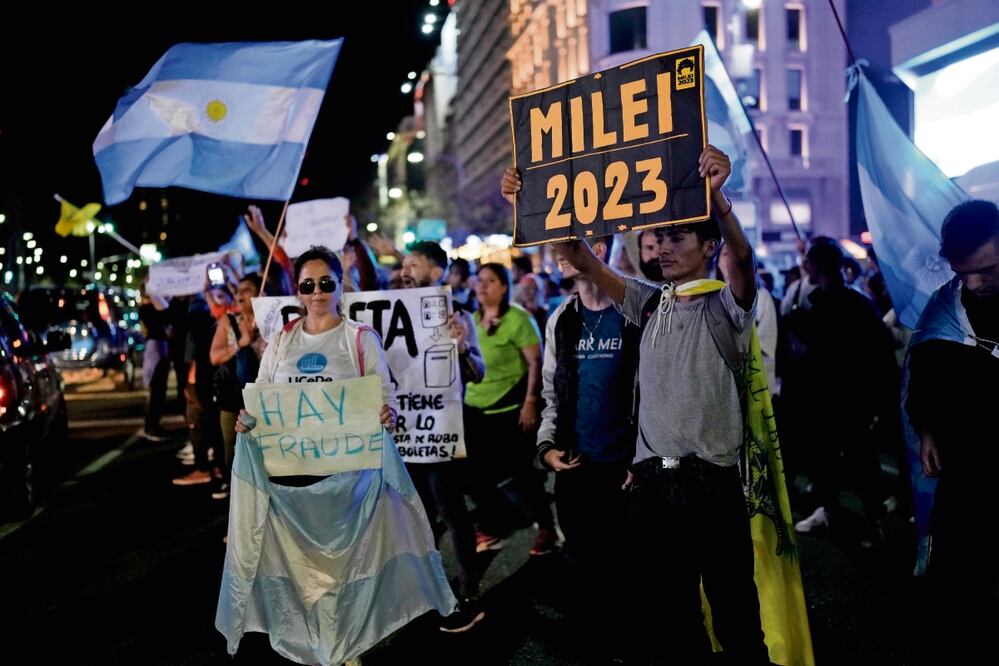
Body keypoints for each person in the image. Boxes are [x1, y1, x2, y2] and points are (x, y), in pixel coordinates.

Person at [550, 145, 771, 664]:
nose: (663, 247)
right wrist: (540, 203)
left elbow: (743, 259)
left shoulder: (728, 305)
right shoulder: (647, 302)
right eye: (659, 237)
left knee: (738, 620)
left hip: (713, 488)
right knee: (673, 622)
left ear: (708, 245)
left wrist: (718, 199)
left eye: (677, 237)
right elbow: (581, 256)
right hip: (651, 488)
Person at [905, 200, 999, 662]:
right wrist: (926, 430)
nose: (976, 283)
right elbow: (921, 379)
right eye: (965, 273)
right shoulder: (944, 307)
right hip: (968, 473)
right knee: (959, 587)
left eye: (988, 269)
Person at [399, 240, 488, 632]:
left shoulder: (459, 316)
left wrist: (462, 347)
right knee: (416, 518)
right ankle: (426, 587)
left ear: (435, 271)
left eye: (413, 264)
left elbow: (478, 372)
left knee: (452, 514)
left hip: (439, 435)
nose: (405, 272)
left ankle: (468, 592)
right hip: (405, 438)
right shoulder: (392, 318)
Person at [464, 263, 557, 557]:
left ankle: (547, 528)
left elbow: (535, 363)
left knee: (523, 475)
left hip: (509, 408)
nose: (482, 286)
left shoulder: (518, 319)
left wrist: (530, 402)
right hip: (475, 409)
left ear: (504, 287)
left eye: (490, 281)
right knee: (476, 477)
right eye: (479, 281)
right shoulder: (470, 319)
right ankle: (491, 527)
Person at [209, 274, 265, 501]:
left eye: (247, 289)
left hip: (263, 401)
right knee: (232, 451)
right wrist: (240, 344)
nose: (240, 295)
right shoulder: (228, 321)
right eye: (238, 291)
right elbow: (214, 356)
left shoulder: (274, 319)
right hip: (233, 399)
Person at [139, 285, 172, 441]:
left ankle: (154, 425)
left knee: (160, 390)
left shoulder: (151, 307)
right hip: (155, 349)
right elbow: (163, 313)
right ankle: (151, 427)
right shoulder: (146, 308)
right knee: (155, 389)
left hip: (160, 347)